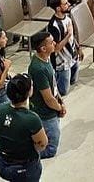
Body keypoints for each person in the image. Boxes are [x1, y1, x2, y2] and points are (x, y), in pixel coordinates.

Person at [0, 73, 47, 181]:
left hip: (2, 164)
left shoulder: (0, 109)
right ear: (28, 92)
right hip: (24, 169)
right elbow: (42, 144)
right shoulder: (32, 119)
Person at [28, 31, 65, 159]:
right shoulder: (39, 68)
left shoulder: (46, 59)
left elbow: (53, 84)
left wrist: (60, 101)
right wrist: (59, 108)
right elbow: (48, 99)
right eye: (51, 42)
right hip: (45, 114)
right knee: (50, 149)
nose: (55, 43)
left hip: (52, 109)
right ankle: (24, 155)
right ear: (43, 48)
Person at [47, 0, 81, 97]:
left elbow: (72, 38)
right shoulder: (54, 26)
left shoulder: (68, 18)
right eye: (65, 3)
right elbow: (56, 49)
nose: (69, 4)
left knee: (73, 80)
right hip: (62, 62)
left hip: (73, 55)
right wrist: (68, 35)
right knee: (64, 91)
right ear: (58, 8)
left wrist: (78, 48)